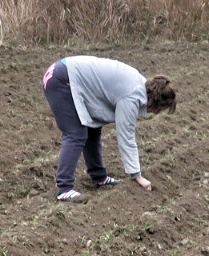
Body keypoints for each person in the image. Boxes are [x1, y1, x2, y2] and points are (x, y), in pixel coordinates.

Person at [42, 56, 176, 202]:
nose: (157, 113)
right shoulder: (132, 97)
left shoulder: (141, 85)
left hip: (63, 71)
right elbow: (126, 137)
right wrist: (137, 175)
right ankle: (64, 188)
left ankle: (99, 177)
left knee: (93, 128)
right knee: (76, 133)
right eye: (161, 109)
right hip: (62, 79)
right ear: (157, 103)